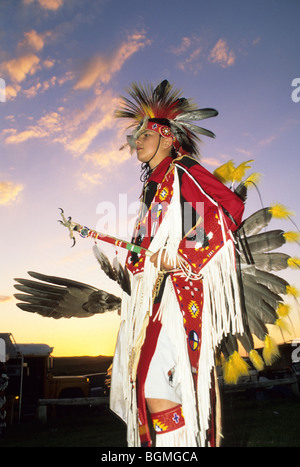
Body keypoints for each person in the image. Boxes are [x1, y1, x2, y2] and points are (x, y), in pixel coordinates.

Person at [109, 80, 246, 447]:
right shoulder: (155, 187)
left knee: (159, 382)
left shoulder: (182, 171)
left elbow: (226, 209)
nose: (136, 140)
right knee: (151, 384)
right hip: (148, 300)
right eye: (134, 134)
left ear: (168, 139)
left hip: (173, 300)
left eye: (145, 134)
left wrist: (180, 254)